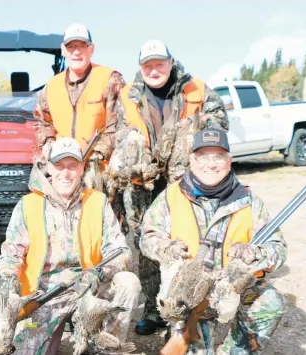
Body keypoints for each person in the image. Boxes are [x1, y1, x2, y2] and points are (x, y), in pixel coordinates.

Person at [0, 137, 141, 355]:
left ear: (81, 169)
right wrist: (8, 285)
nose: (65, 173)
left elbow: (122, 253)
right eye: (59, 166)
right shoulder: (28, 205)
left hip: (89, 290)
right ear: (49, 167)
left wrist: (98, 274)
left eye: (72, 166)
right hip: (43, 296)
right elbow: (11, 255)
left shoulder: (98, 202)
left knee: (128, 282)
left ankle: (105, 348)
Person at [115, 39, 228, 335]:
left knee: (184, 242)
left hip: (183, 183)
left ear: (170, 62)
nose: (154, 70)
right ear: (141, 68)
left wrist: (194, 126)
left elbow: (221, 122)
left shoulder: (197, 89)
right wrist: (132, 144)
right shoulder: (128, 94)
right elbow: (115, 130)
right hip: (142, 184)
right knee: (148, 243)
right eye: (147, 65)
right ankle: (153, 311)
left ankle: (181, 308)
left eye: (159, 64)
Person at [140, 127, 286, 353]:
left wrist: (255, 253)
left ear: (229, 160)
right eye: (203, 156)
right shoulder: (170, 197)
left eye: (217, 156)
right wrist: (167, 248)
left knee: (270, 302)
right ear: (191, 160)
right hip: (189, 295)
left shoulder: (249, 201)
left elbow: (278, 248)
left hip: (232, 290)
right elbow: (147, 237)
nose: (210, 164)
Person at [33, 23, 125, 174]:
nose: (76, 52)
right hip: (62, 169)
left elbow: (118, 125)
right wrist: (50, 146)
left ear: (91, 50)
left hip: (99, 168)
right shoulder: (51, 86)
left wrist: (96, 156)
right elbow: (41, 121)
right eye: (71, 46)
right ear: (63, 50)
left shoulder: (110, 79)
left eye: (82, 46)